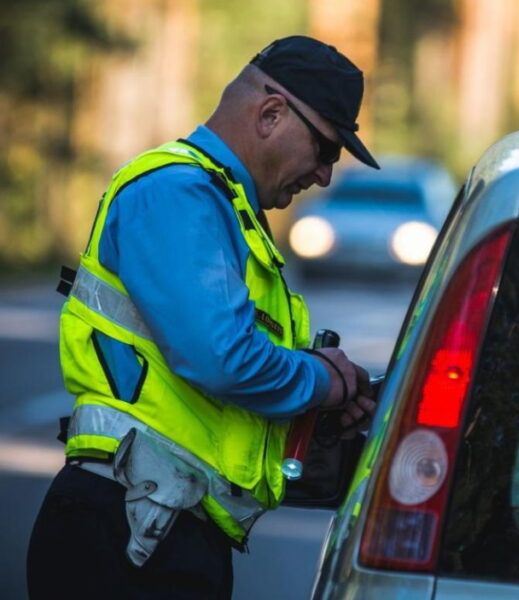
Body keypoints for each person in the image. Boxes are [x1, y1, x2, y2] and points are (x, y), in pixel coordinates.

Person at [27, 36, 378, 599]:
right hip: (129, 533)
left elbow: (211, 392)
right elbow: (223, 358)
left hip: (159, 525)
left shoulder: (223, 206)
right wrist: (321, 381)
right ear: (270, 114)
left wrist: (325, 397)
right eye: (326, 151)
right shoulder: (178, 193)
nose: (323, 176)